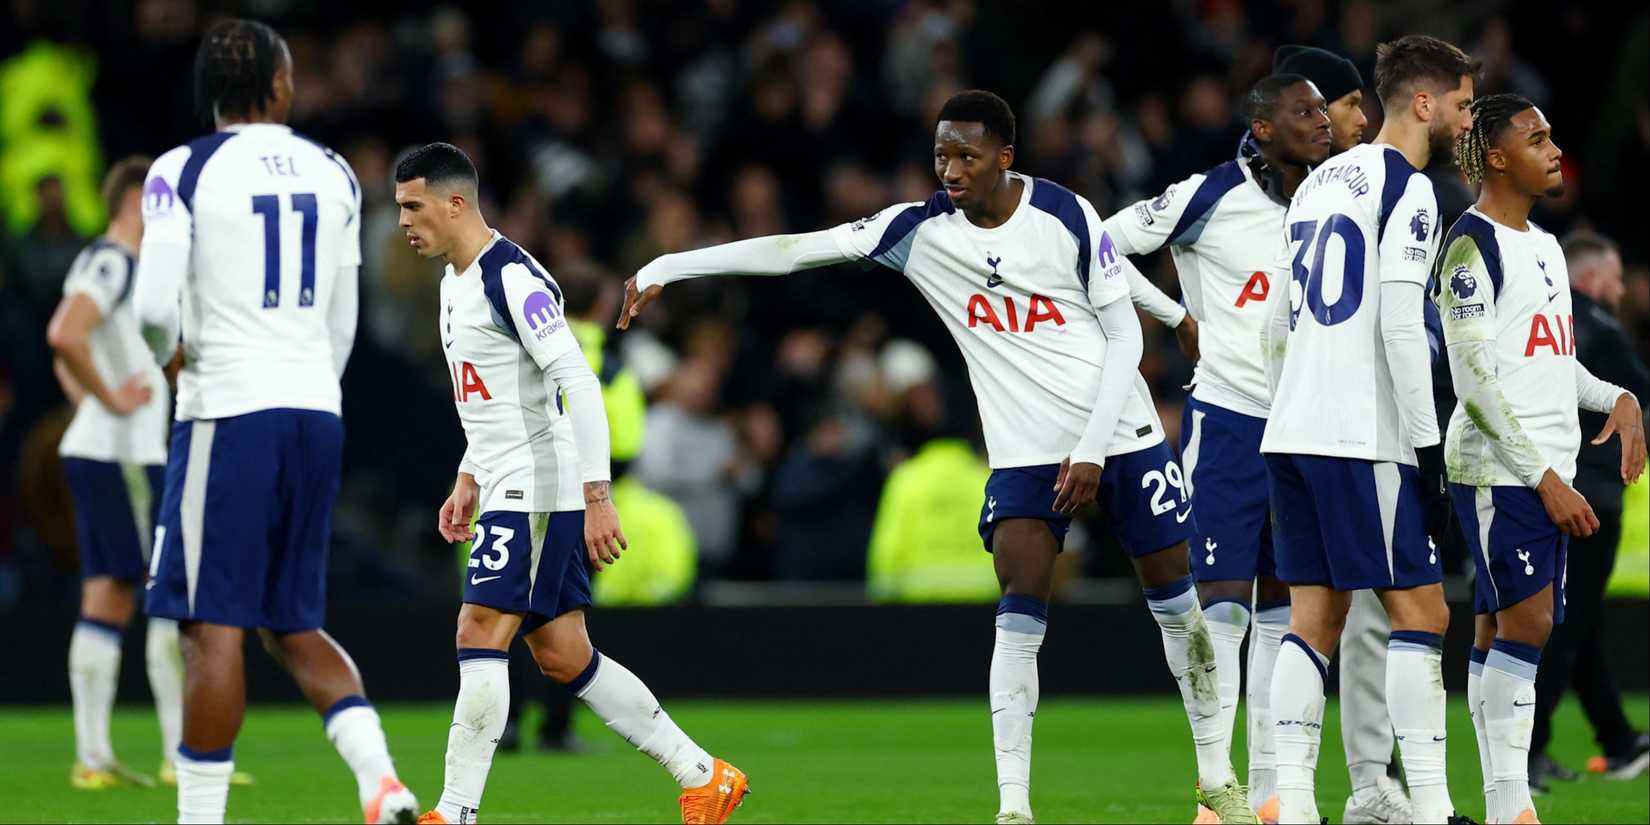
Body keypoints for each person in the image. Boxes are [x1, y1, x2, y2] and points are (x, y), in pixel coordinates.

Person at [621, 89, 1254, 824]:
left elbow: (1123, 340)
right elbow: (799, 249)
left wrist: (1094, 443)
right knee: (1019, 611)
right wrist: (675, 261)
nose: (950, 169)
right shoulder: (917, 229)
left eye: (967, 155)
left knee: (1179, 609)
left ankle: (1217, 781)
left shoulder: (1066, 215)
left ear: (1005, 157)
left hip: (1123, 434)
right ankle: (1014, 807)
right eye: (941, 154)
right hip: (1026, 450)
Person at [392, 142, 747, 825]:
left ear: (456, 202)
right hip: (503, 478)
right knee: (562, 654)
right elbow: (492, 397)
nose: (403, 219)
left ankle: (456, 810)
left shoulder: (513, 278)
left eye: (413, 205)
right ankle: (704, 773)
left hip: (536, 484)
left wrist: (596, 495)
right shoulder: (453, 280)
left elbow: (576, 383)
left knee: (478, 628)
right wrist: (468, 473)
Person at [132, 19, 414, 824]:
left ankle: (199, 819)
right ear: (282, 85)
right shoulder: (333, 172)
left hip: (227, 410)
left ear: (208, 91)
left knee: (209, 627)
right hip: (312, 410)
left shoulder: (179, 170)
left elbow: (153, 306)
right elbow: (345, 318)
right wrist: (311, 385)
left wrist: (172, 360)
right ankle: (380, 780)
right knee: (292, 622)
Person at [1258, 35, 1478, 824]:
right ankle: (1435, 808)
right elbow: (1395, 327)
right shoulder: (1407, 189)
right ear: (1422, 103)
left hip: (1293, 426)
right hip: (1363, 434)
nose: (1464, 119)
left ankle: (1290, 804)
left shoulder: (1318, 184)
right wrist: (1429, 450)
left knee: (1314, 619)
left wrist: (1288, 407)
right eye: (1459, 104)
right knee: (1425, 613)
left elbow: (1279, 322)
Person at [1112, 73, 1333, 825]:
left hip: (1308, 429)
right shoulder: (1209, 195)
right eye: (1304, 112)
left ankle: (1268, 793)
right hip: (1231, 424)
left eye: (1323, 110)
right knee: (1222, 609)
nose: (1324, 122)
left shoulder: (1337, 198)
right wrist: (1173, 311)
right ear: (1264, 129)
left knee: (1288, 610)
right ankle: (1218, 788)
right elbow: (1101, 245)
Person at [1438, 98, 1647, 824]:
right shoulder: (1471, 248)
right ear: (1497, 157)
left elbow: (1555, 365)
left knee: (1506, 628)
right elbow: (1473, 382)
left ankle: (1506, 803)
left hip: (1537, 465)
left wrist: (1617, 395)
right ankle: (1510, 805)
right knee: (1526, 625)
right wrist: (1545, 478)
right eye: (1537, 139)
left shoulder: (1548, 245)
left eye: (1553, 135)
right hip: (1501, 469)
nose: (1555, 149)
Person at [1273, 44, 1417, 825]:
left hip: (1292, 426)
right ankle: (1284, 784)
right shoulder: (1258, 194)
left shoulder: (1324, 189)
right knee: (1334, 615)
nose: (1363, 119)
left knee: (1332, 616)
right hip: (1330, 429)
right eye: (1349, 104)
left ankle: (1361, 779)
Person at [48, 155, 175, 790]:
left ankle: (100, 757)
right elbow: (64, 334)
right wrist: (110, 400)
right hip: (121, 453)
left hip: (111, 448)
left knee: (116, 590)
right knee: (144, 589)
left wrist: (86, 398)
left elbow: (70, 349)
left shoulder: (109, 264)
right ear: (136, 203)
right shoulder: (113, 262)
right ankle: (143, 757)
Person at [1528, 231, 1650, 788]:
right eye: (1616, 277)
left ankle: (1617, 739)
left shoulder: (1546, 319)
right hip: (1592, 494)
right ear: (1591, 278)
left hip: (1549, 482)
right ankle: (1528, 750)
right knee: (1565, 625)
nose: (1620, 289)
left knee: (1578, 622)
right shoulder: (1600, 327)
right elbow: (1640, 397)